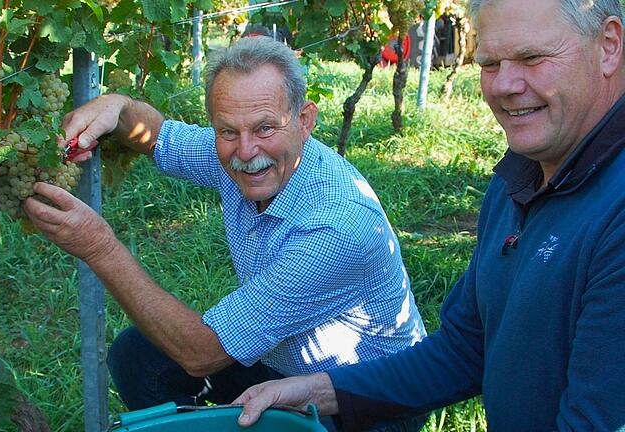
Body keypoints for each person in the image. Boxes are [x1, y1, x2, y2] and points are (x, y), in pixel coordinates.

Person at [233, 0, 625, 430]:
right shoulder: (521, 179)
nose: (505, 84)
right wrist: (317, 391)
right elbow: (465, 349)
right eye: (490, 63)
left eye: (532, 58)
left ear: (608, 45)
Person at [22, 36, 427, 427]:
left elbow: (201, 353)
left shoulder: (335, 229)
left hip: (365, 405)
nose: (246, 151)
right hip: (284, 364)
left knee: (182, 355)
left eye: (265, 128)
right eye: (227, 131)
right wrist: (119, 107)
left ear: (305, 121)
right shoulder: (241, 154)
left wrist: (99, 247)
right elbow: (160, 136)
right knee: (139, 357)